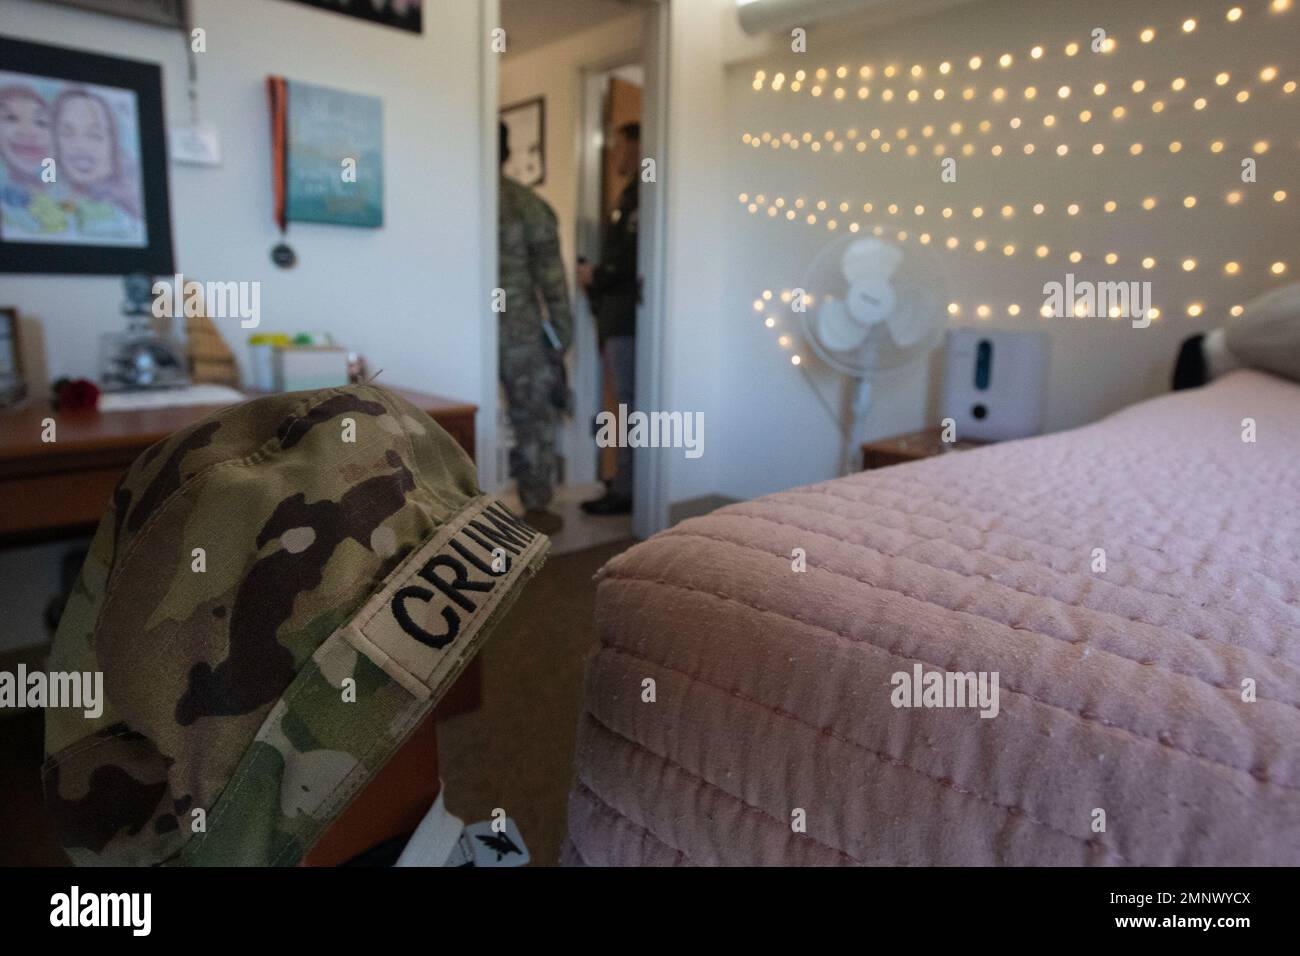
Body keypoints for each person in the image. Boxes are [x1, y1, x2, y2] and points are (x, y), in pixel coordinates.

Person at [498, 121, 572, 535]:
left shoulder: (453, 199)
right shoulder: (528, 205)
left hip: (460, 326)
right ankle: (538, 506)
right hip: (519, 329)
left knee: (458, 415)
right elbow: (553, 282)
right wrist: (562, 337)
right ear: (508, 152)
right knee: (533, 417)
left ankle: (457, 513)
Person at [578, 121, 640, 517]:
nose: (615, 154)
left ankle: (628, 489)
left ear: (637, 149)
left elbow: (632, 262)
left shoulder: (643, 197)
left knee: (631, 406)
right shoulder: (629, 195)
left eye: (620, 146)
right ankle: (623, 483)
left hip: (628, 319)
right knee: (626, 403)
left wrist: (596, 275)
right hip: (616, 317)